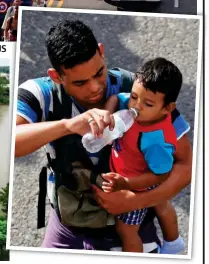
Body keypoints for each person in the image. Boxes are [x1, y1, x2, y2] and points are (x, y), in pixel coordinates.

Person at [16, 19, 192, 253]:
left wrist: (135, 202)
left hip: (132, 225)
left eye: (99, 73)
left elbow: (186, 164)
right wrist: (67, 126)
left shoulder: (139, 89)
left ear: (101, 51)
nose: (95, 88)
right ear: (56, 76)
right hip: (69, 224)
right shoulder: (40, 94)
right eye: (80, 82)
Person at [101, 57, 185, 253]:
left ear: (168, 109)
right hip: (146, 167)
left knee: (126, 229)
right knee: (161, 205)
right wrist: (106, 114)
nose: (136, 106)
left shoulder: (155, 140)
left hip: (142, 180)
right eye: (134, 96)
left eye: (147, 103)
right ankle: (174, 242)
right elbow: (116, 98)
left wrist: (125, 184)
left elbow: (161, 176)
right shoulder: (134, 104)